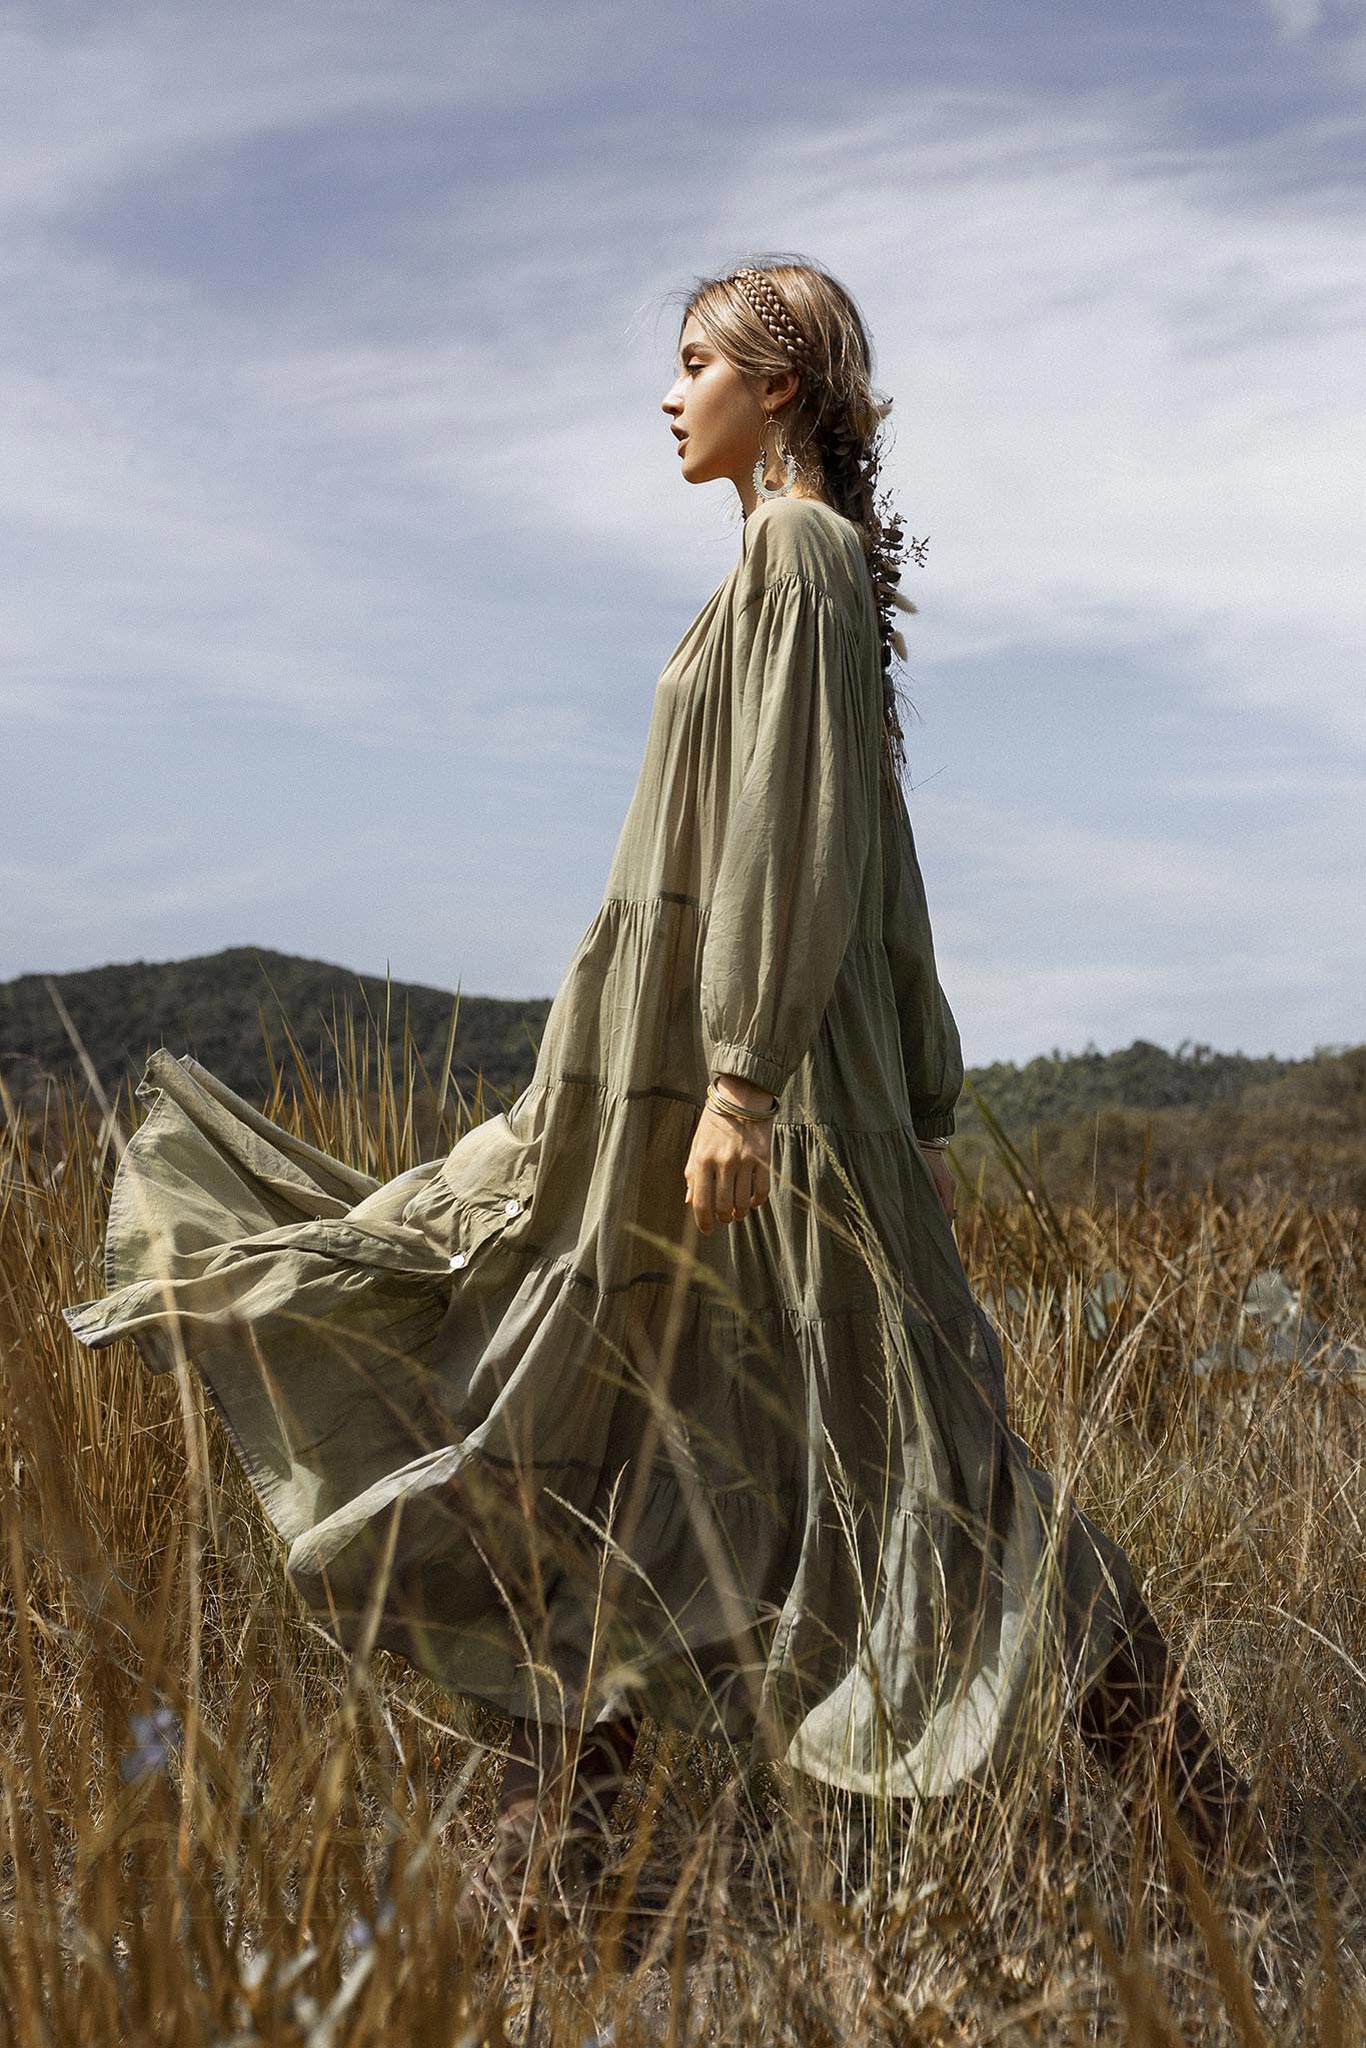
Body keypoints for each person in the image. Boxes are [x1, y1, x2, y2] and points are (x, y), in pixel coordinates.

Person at [63, 258, 1254, 1910]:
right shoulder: (781, 570)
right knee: (622, 1406)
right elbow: (859, 846)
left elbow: (806, 833)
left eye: (695, 361)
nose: (667, 392)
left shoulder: (797, 552)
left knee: (917, 1447)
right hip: (660, 1072)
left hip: (733, 1088)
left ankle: (1193, 1796)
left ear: (781, 385)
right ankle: (566, 1842)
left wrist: (751, 1080)